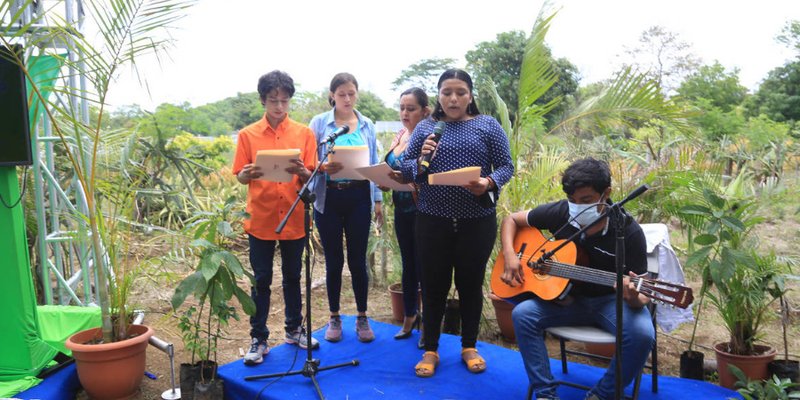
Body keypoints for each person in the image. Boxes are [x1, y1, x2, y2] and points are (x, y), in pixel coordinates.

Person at [499, 158, 655, 400]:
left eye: (586, 200)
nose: (577, 207)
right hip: (566, 301)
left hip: (610, 302)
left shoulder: (628, 232)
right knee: (523, 315)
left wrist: (634, 297)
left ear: (607, 194)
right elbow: (511, 220)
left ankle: (602, 395)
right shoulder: (561, 212)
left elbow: (643, 293)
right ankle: (545, 393)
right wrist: (510, 255)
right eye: (573, 200)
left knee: (643, 334)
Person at [398, 68, 514, 377]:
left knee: (470, 285)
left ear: (470, 95)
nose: (453, 98)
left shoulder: (487, 125)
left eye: (460, 92)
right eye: (447, 92)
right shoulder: (426, 128)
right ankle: (431, 349)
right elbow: (408, 170)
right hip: (432, 220)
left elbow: (506, 166)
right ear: (438, 96)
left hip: (476, 221)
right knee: (434, 286)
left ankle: (469, 346)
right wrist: (420, 156)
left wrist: (488, 182)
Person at [232, 70, 320, 366]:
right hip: (262, 217)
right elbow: (241, 176)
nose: (279, 106)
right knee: (261, 280)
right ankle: (258, 337)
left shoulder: (304, 133)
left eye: (284, 100)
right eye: (273, 100)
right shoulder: (248, 135)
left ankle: (294, 329)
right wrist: (246, 173)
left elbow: (311, 174)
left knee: (294, 277)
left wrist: (303, 172)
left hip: (295, 215)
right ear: (262, 100)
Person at [309, 72, 383, 343]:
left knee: (357, 259)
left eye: (352, 93)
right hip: (328, 197)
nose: (347, 99)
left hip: (359, 197)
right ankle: (334, 316)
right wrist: (323, 167)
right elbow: (310, 160)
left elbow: (374, 162)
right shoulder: (319, 123)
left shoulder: (367, 125)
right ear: (332, 96)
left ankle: (362, 316)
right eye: (342, 94)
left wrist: (377, 201)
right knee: (333, 260)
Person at [383, 88, 430, 345]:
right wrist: (382, 180)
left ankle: (428, 323)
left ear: (424, 111)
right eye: (401, 108)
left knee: (425, 267)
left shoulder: (430, 137)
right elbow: (392, 166)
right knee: (408, 265)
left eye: (410, 108)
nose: (404, 113)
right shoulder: (400, 135)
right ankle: (410, 315)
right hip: (401, 208)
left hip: (424, 209)